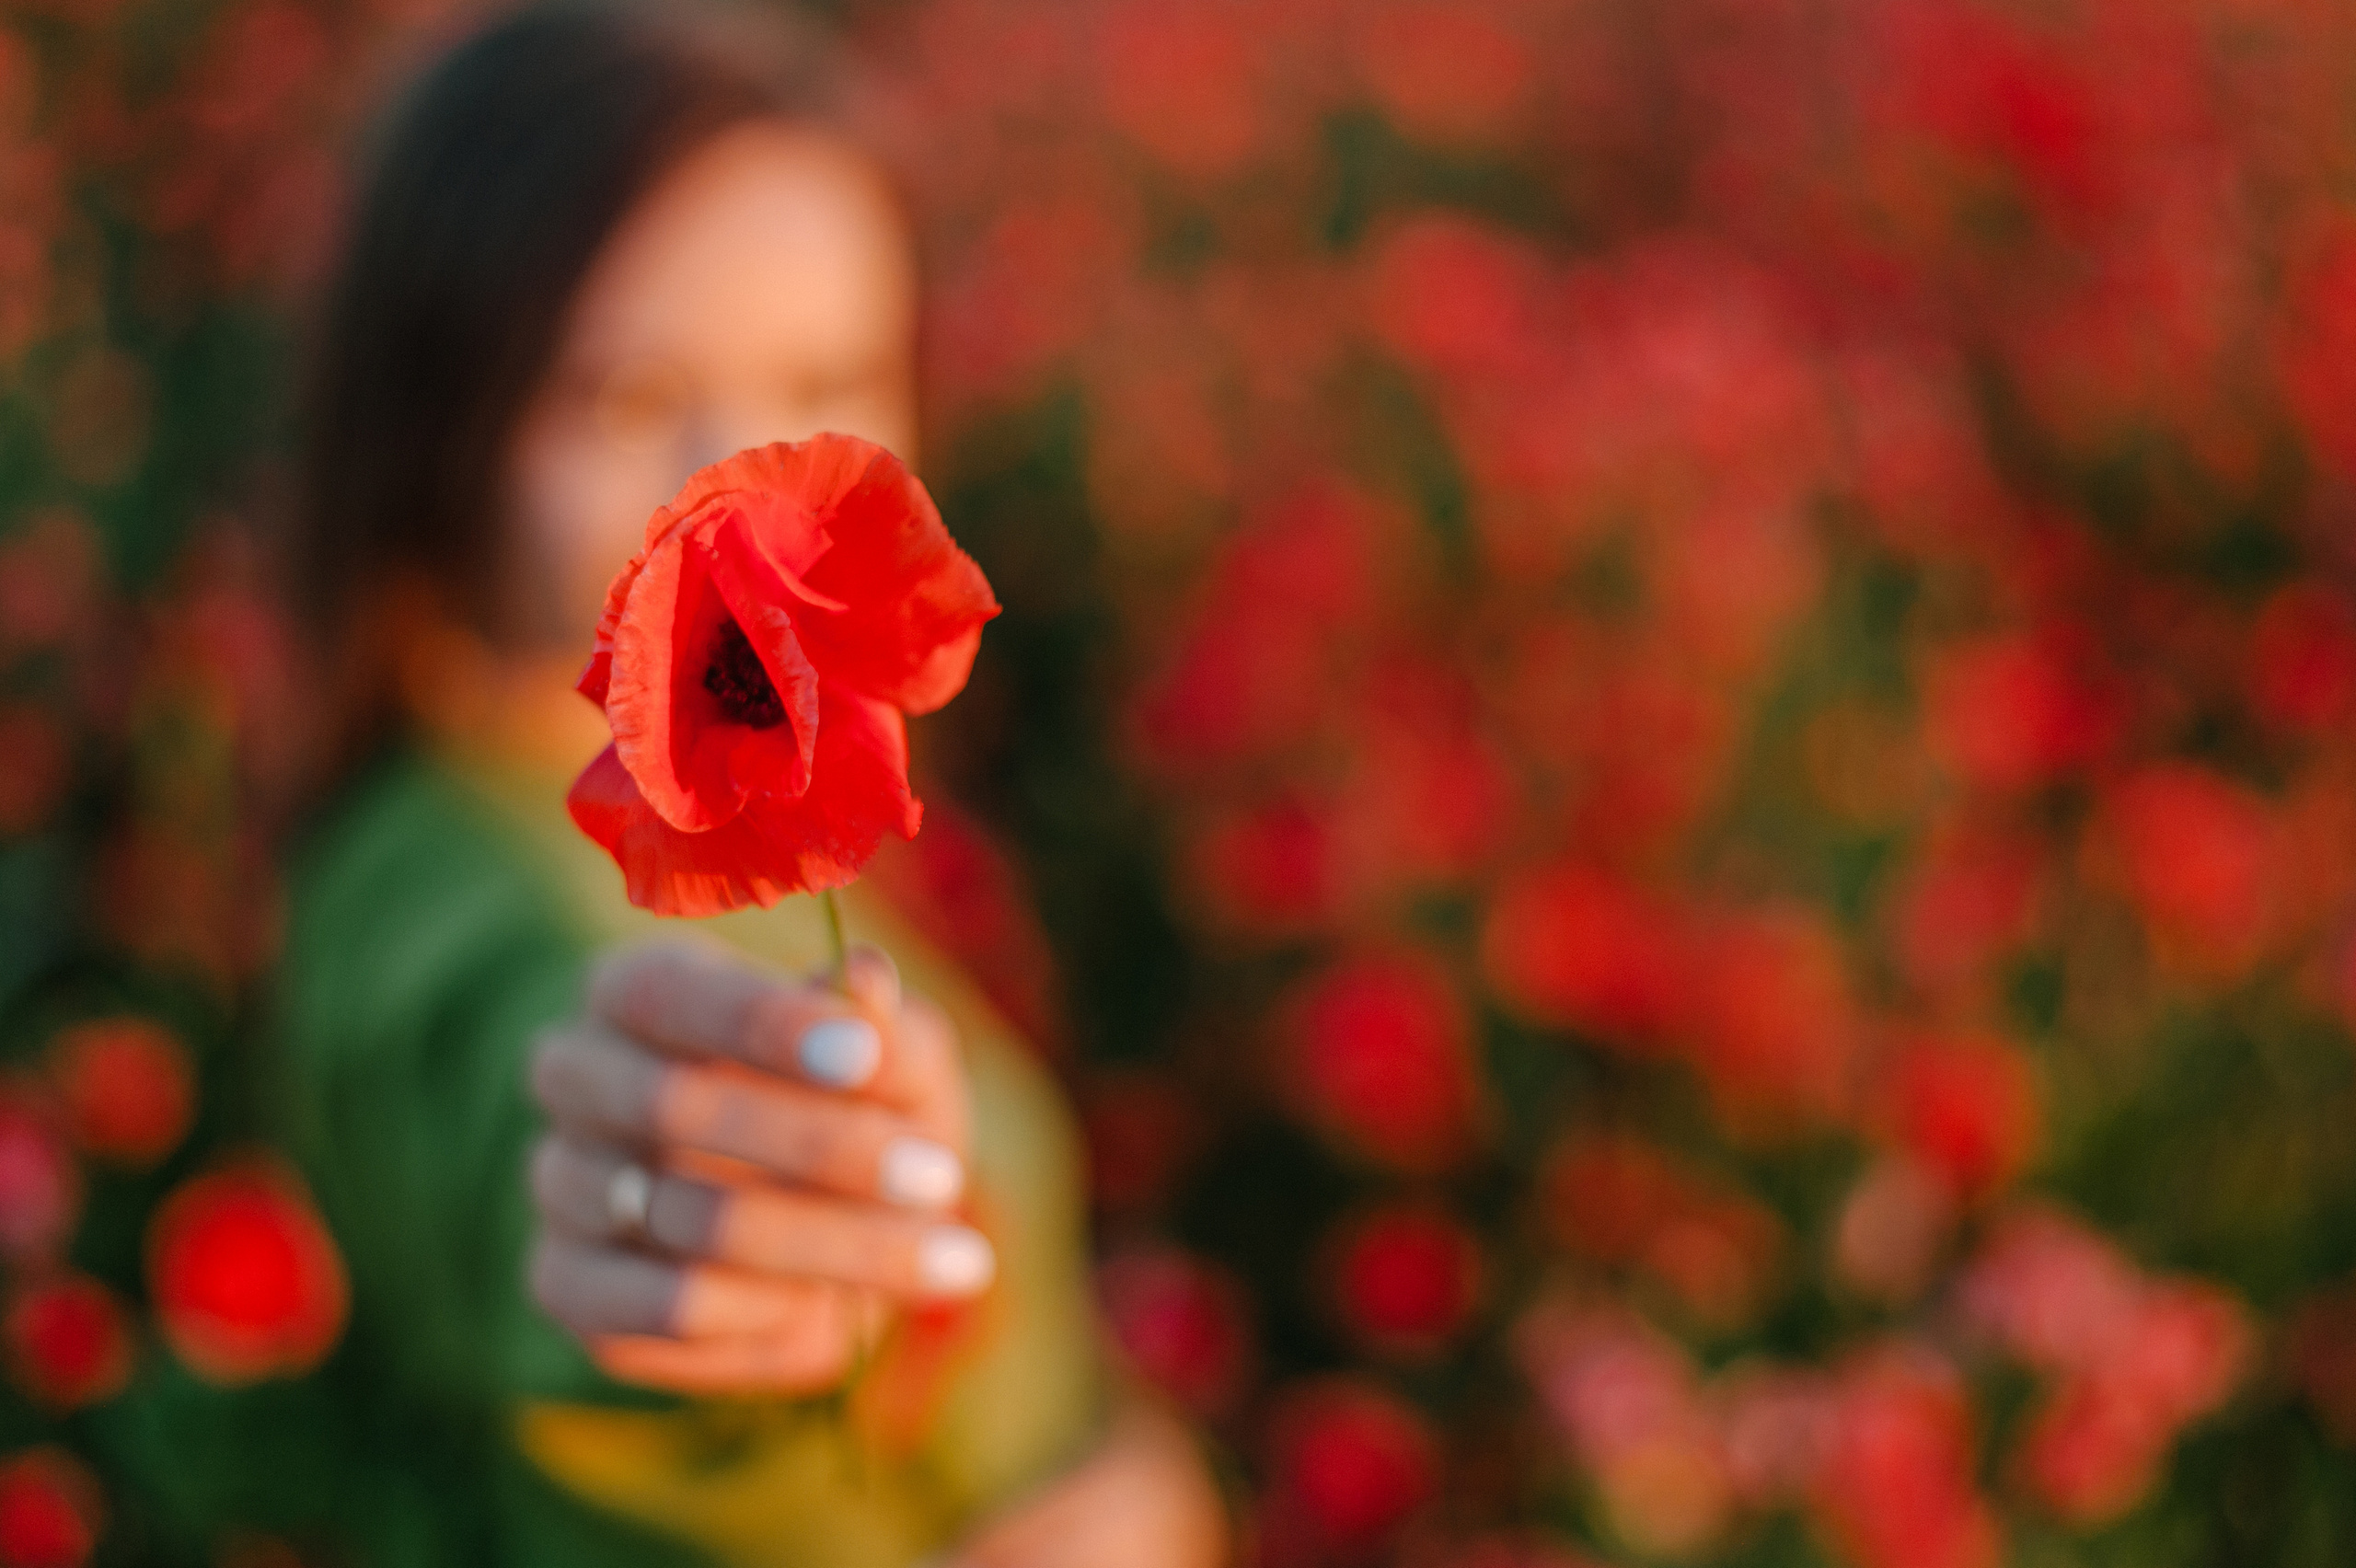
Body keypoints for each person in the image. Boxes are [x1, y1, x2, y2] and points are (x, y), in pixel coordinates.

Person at [273, 4, 1224, 1563]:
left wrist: (1146, 1488)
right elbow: (528, 1064)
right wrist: (649, 1212)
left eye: (831, 370)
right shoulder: (435, 890)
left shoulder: (782, 789)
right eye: (631, 399)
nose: (742, 491)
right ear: (444, 421)